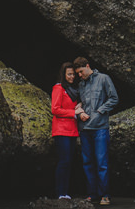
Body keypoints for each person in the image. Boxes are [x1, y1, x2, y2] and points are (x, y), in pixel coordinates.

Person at [74, 56, 118, 206]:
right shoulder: (81, 85)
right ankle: (92, 194)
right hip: (84, 128)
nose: (79, 75)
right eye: (78, 73)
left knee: (101, 162)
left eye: (80, 71)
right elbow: (79, 101)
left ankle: (105, 195)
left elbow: (113, 98)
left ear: (87, 66)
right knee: (87, 162)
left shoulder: (104, 79)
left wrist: (100, 111)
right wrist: (79, 110)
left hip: (100, 127)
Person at [51, 61, 83, 200]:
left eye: (73, 74)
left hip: (72, 130)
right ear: (63, 75)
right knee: (64, 161)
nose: (72, 77)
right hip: (61, 130)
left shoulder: (72, 89)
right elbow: (55, 109)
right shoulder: (58, 88)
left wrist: (79, 105)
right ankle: (60, 193)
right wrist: (74, 113)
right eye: (69, 74)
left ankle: (65, 192)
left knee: (69, 162)